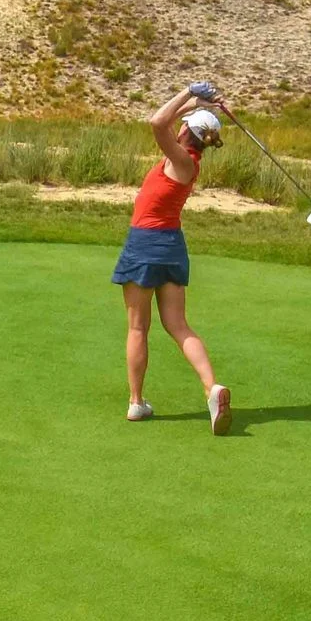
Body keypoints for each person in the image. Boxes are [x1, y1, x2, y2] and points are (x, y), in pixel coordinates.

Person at [113, 81, 231, 434]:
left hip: (145, 244)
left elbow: (156, 122)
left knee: (137, 326)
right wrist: (199, 102)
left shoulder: (179, 157)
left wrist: (186, 92)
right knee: (178, 325)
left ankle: (136, 402)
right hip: (171, 245)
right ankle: (213, 388)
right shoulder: (187, 158)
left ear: (186, 134)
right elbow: (172, 121)